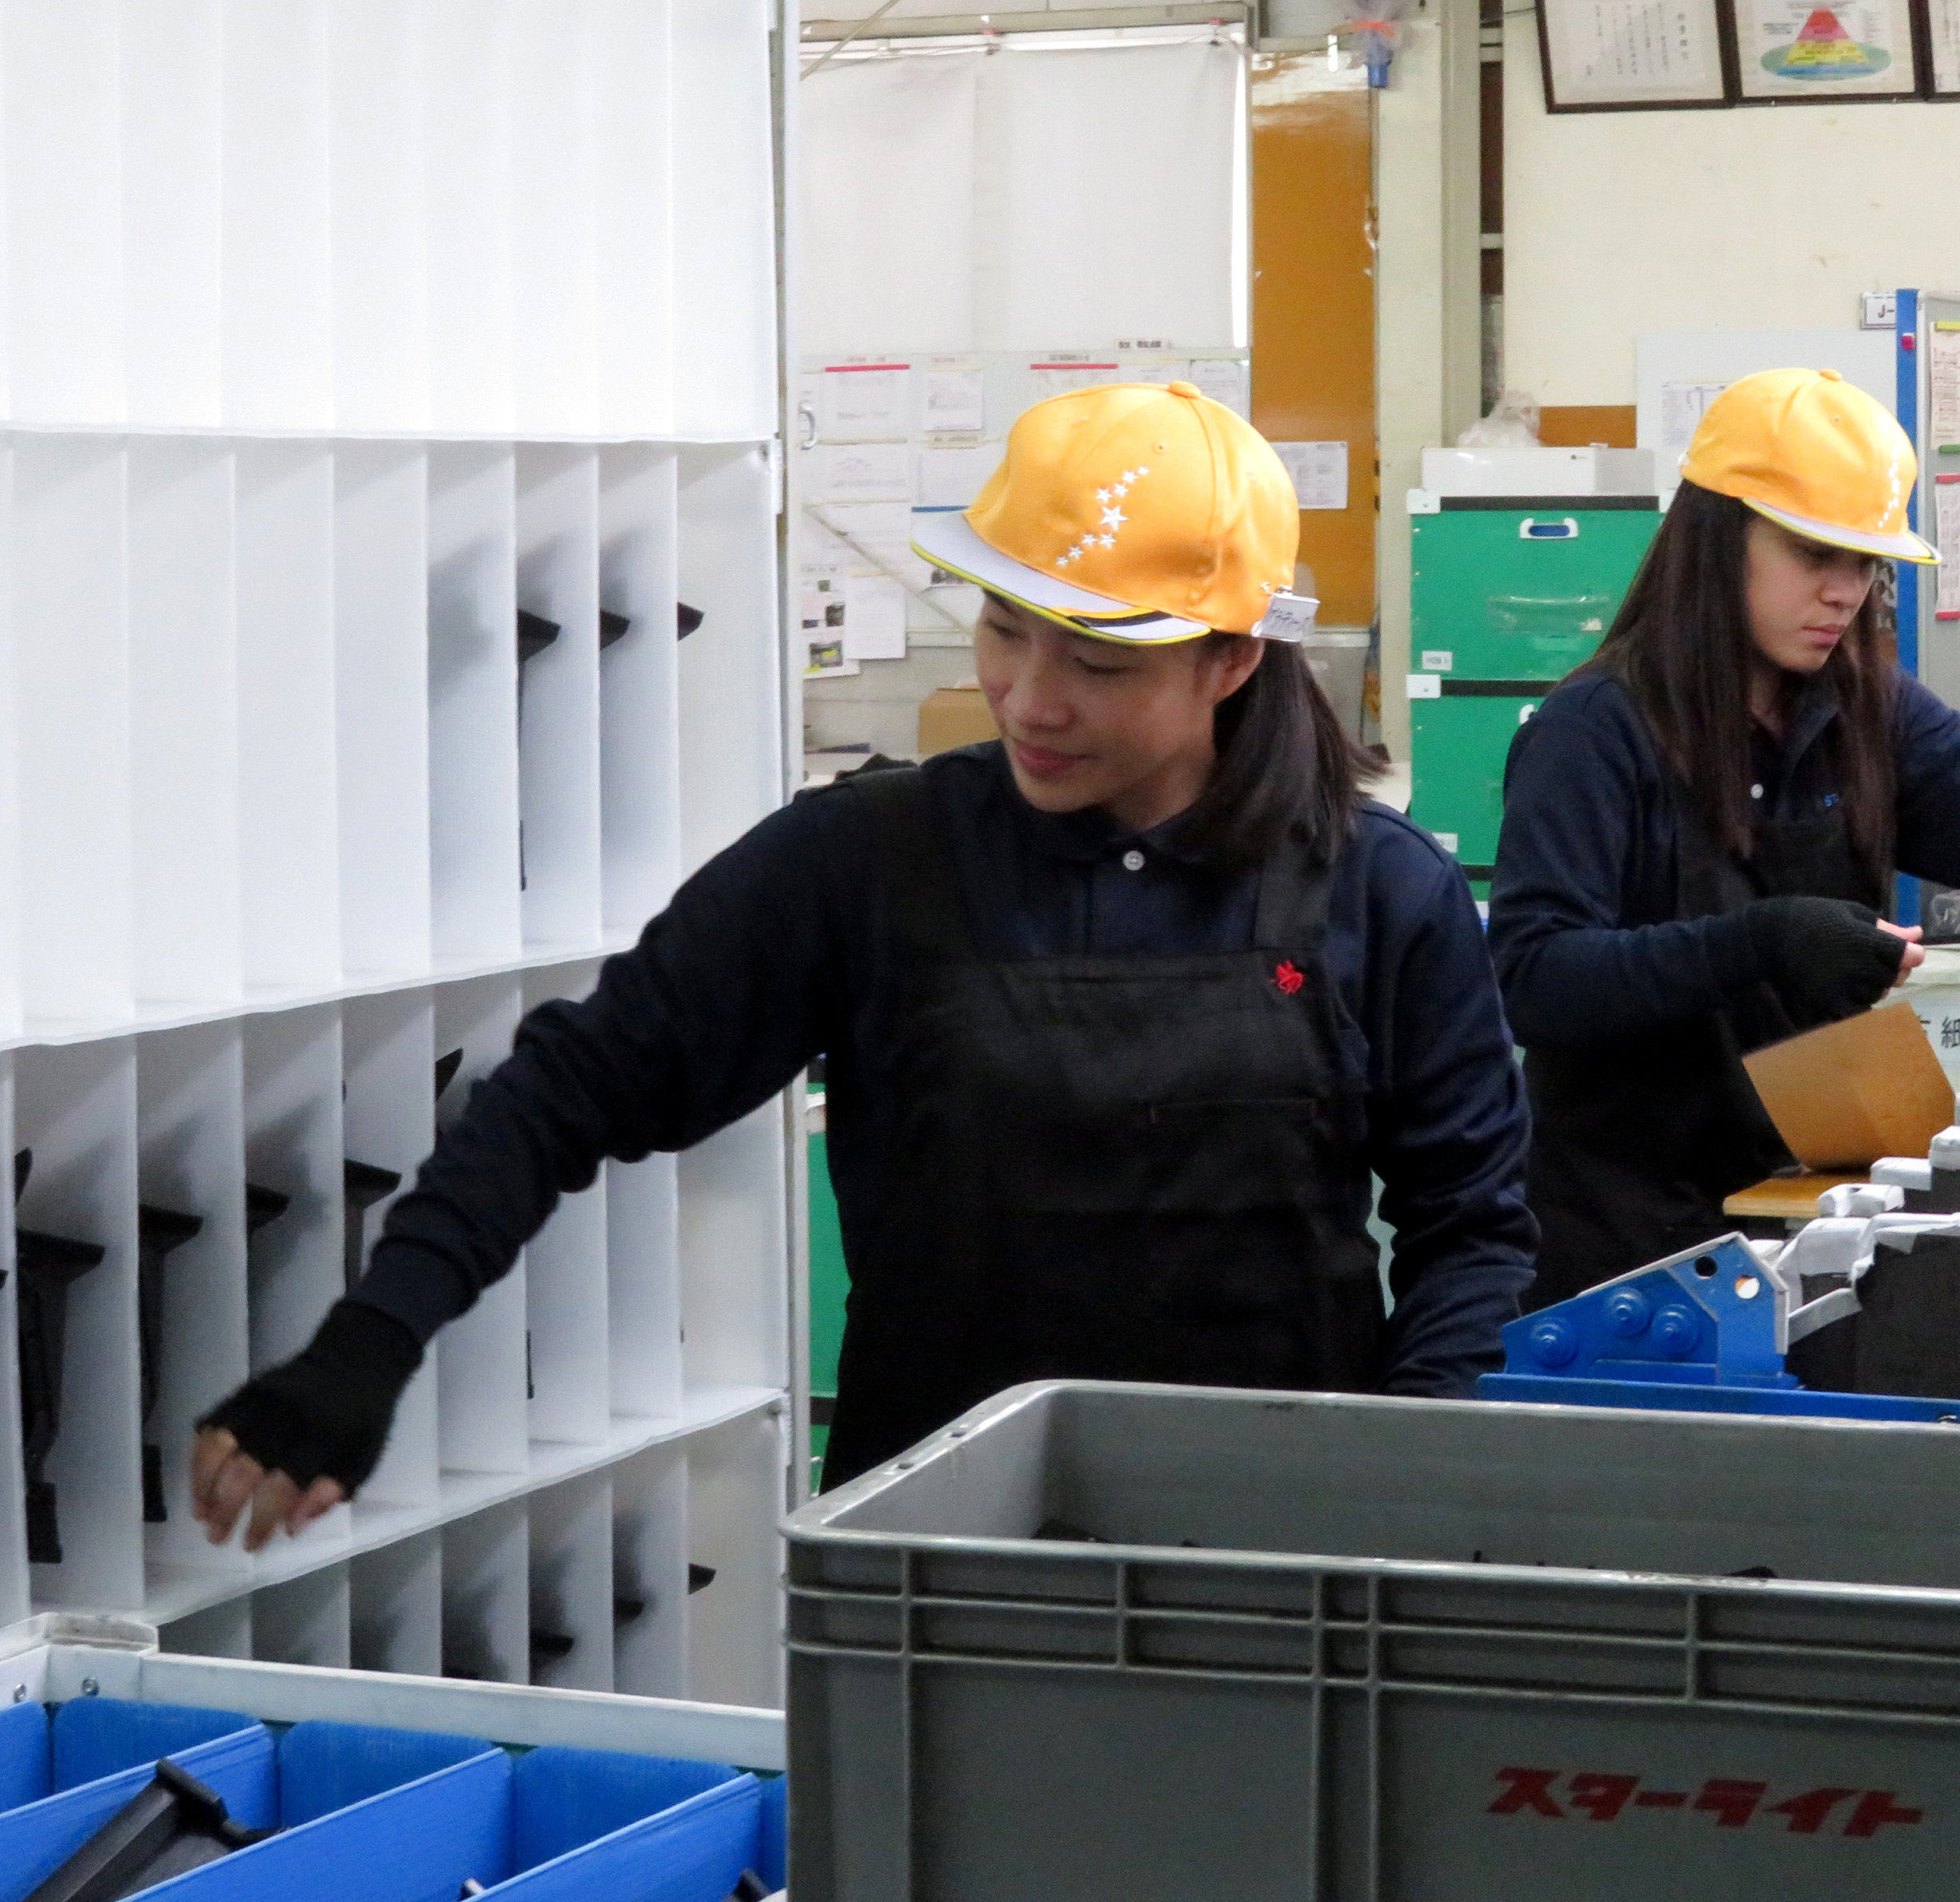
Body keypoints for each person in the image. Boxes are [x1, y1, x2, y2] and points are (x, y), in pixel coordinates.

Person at [190, 381, 1535, 1549]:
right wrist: (373, 1340)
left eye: (1097, 661)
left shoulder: (1380, 891)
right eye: (1006, 628)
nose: (1030, 698)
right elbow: (565, 1094)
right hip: (934, 1533)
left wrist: (1404, 1474)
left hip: (1282, 1536)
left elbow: (1469, 1227)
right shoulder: (866, 863)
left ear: (1235, 659)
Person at [1488, 368, 1960, 1307]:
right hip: (1628, 1244)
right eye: (1811, 554)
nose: (1842, 593)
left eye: (1863, 564)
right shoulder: (1594, 731)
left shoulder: (1861, 709)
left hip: (1802, 1209)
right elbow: (1538, 979)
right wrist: (1760, 942)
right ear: (1714, 537)